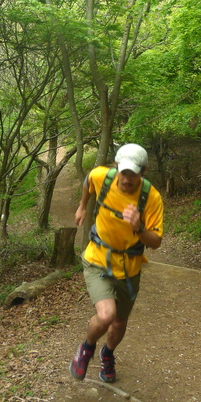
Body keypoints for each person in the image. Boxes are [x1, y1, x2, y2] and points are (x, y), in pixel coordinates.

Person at [69, 143, 164, 383]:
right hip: (98, 259)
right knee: (106, 315)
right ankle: (86, 349)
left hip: (129, 267)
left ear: (144, 171)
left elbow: (156, 242)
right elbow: (88, 179)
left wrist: (138, 228)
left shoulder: (151, 198)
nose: (127, 178)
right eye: (124, 172)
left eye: (133, 173)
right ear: (116, 167)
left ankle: (107, 354)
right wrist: (82, 205)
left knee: (120, 322)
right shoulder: (103, 176)